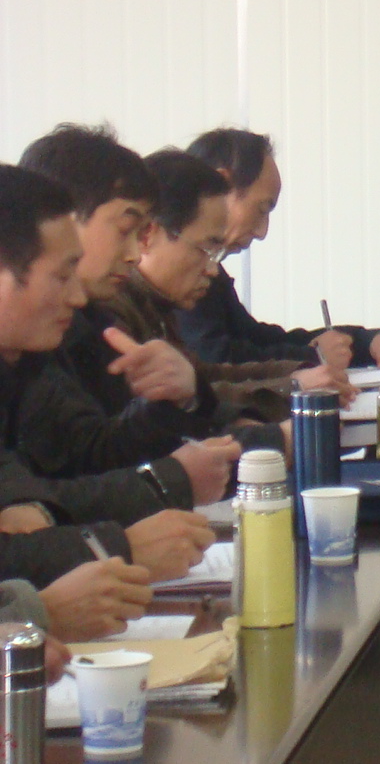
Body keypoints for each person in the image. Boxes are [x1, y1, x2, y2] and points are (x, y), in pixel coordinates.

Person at [0, 164, 217, 597]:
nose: (76, 296)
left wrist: (30, 506)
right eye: (61, 276)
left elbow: (25, 491)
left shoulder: (21, 364)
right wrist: (122, 547)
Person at [14, 125, 251, 490]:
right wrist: (171, 479)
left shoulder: (88, 319)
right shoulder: (64, 328)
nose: (134, 255)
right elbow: (50, 491)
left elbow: (93, 449)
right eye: (125, 230)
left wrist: (180, 399)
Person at [102, 152, 341, 426]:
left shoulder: (155, 305)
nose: (213, 270)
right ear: (148, 234)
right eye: (206, 249)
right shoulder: (113, 316)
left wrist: (299, 372)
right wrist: (293, 387)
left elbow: (204, 376)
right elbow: (174, 411)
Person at [179, 127, 380, 371]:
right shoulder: (181, 270)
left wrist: (366, 342)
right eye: (262, 209)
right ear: (222, 186)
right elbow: (213, 360)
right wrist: (312, 356)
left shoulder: (207, 269)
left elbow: (258, 340)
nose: (262, 232)